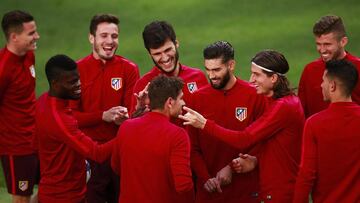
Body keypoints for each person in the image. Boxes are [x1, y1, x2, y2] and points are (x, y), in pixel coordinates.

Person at [180, 50, 305, 202]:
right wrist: (254, 160)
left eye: (257, 75)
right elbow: (267, 144)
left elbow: (244, 139)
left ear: (273, 78)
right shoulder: (282, 102)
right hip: (276, 188)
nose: (251, 80)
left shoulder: (283, 107)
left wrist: (204, 124)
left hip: (281, 190)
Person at [180, 41, 266, 203]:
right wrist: (206, 178)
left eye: (217, 69)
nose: (211, 76)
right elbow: (191, 146)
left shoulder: (254, 95)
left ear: (231, 65)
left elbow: (261, 141)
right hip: (209, 192)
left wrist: (232, 168)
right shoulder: (197, 99)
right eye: (208, 69)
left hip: (244, 191)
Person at [69, 14, 140, 203]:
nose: (110, 41)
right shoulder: (76, 70)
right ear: (91, 38)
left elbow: (132, 111)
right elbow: (71, 117)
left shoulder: (129, 69)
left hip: (120, 152)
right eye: (104, 35)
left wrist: (125, 117)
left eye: (114, 36)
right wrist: (103, 116)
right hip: (89, 154)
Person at [35, 54, 114, 203]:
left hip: (55, 191)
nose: (79, 84)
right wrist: (128, 132)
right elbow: (98, 153)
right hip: (64, 197)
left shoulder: (44, 101)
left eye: (78, 78)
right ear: (55, 83)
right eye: (72, 82)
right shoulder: (59, 119)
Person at [111, 75, 194, 203]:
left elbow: (116, 166)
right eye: (181, 98)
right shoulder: (178, 135)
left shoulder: (126, 126)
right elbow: (184, 185)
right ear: (170, 102)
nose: (184, 103)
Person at [293, 60, 360, 203]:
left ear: (332, 86)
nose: (321, 85)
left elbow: (306, 175)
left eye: (323, 81)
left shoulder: (314, 124)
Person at [130, 20, 208, 119]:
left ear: (176, 43)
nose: (165, 58)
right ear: (150, 54)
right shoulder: (143, 85)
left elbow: (209, 118)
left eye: (167, 50)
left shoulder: (198, 77)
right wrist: (140, 109)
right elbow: (133, 128)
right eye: (157, 54)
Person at [0, 10, 40, 203]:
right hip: (17, 148)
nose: (37, 37)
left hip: (37, 138)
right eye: (31, 33)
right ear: (14, 37)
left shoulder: (29, 56)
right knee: (21, 198)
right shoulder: (3, 69)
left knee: (55, 182)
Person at [298, 15, 360, 118]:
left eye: (327, 44)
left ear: (343, 42)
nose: (322, 50)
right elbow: (302, 113)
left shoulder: (358, 67)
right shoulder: (310, 70)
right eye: (318, 44)